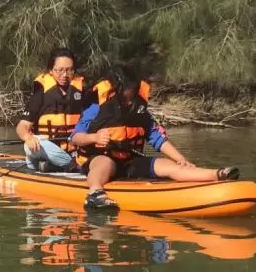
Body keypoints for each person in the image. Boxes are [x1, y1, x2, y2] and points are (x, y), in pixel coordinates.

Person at [70, 67, 239, 211]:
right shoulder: (95, 108)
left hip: (129, 160)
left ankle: (216, 175)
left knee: (167, 165)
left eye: (132, 93)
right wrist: (94, 137)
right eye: (126, 94)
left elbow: (156, 138)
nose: (129, 100)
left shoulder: (139, 110)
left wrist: (180, 158)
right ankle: (95, 193)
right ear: (115, 90)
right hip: (99, 158)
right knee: (105, 164)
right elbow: (75, 138)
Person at [15, 48, 88, 172]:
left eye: (69, 70)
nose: (64, 75)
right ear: (51, 70)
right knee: (33, 145)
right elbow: (21, 127)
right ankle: (72, 166)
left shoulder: (82, 92)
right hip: (47, 148)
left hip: (74, 151)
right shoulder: (41, 94)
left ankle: (54, 166)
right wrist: (28, 137)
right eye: (59, 70)